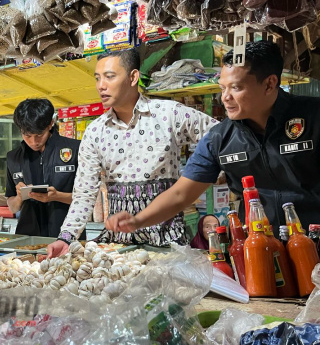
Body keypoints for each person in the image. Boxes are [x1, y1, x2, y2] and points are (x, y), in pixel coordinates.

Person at [106, 40, 320, 240]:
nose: (225, 98)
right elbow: (181, 194)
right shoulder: (220, 137)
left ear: (270, 83)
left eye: (236, 88)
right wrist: (138, 220)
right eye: (222, 88)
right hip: (258, 249)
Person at [47, 48, 218, 257]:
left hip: (167, 241)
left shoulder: (169, 113)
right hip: (118, 245)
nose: (101, 85)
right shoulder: (95, 132)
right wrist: (65, 237)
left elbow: (221, 138)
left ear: (133, 77)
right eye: (98, 78)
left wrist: (206, 175)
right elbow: (84, 193)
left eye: (110, 77)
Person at [5, 98, 82, 238]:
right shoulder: (13, 158)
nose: (34, 142)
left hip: (68, 236)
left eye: (39, 135)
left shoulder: (76, 149)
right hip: (28, 239)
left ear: (50, 124)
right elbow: (12, 207)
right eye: (27, 136)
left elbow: (87, 199)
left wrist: (57, 196)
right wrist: (19, 197)